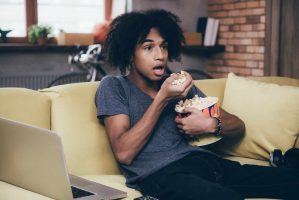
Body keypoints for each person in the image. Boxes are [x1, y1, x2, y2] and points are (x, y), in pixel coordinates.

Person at [95, 9, 299, 200]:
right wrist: (162, 99)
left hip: (210, 164)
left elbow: (238, 126)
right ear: (130, 54)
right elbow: (124, 153)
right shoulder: (114, 87)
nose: (160, 55)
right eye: (148, 47)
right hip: (164, 174)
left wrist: (210, 125)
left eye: (164, 46)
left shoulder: (179, 85)